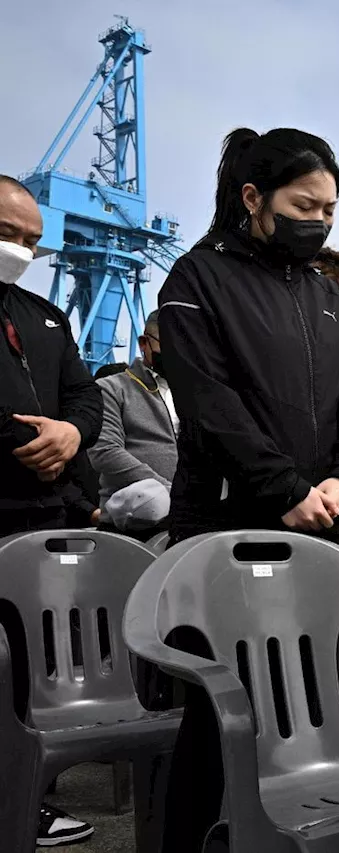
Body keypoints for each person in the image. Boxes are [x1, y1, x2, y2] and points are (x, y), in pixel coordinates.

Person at [155, 128, 339, 851]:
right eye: (304, 203)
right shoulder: (196, 279)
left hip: (323, 522)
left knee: (318, 695)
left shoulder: (325, 293)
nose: (318, 220)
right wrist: (284, 485)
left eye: (331, 209)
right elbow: (208, 400)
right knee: (223, 711)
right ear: (254, 198)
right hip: (229, 520)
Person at [0, 174, 99, 846]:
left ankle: (29, 799)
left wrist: (71, 434)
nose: (21, 249)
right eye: (9, 234)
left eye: (32, 240)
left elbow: (84, 398)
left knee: (31, 669)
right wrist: (22, 440)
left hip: (43, 518)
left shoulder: (49, 317)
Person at [88, 310, 177, 538]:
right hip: (132, 521)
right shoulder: (111, 388)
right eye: (169, 344)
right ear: (143, 343)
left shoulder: (198, 392)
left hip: (193, 518)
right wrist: (170, 490)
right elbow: (105, 452)